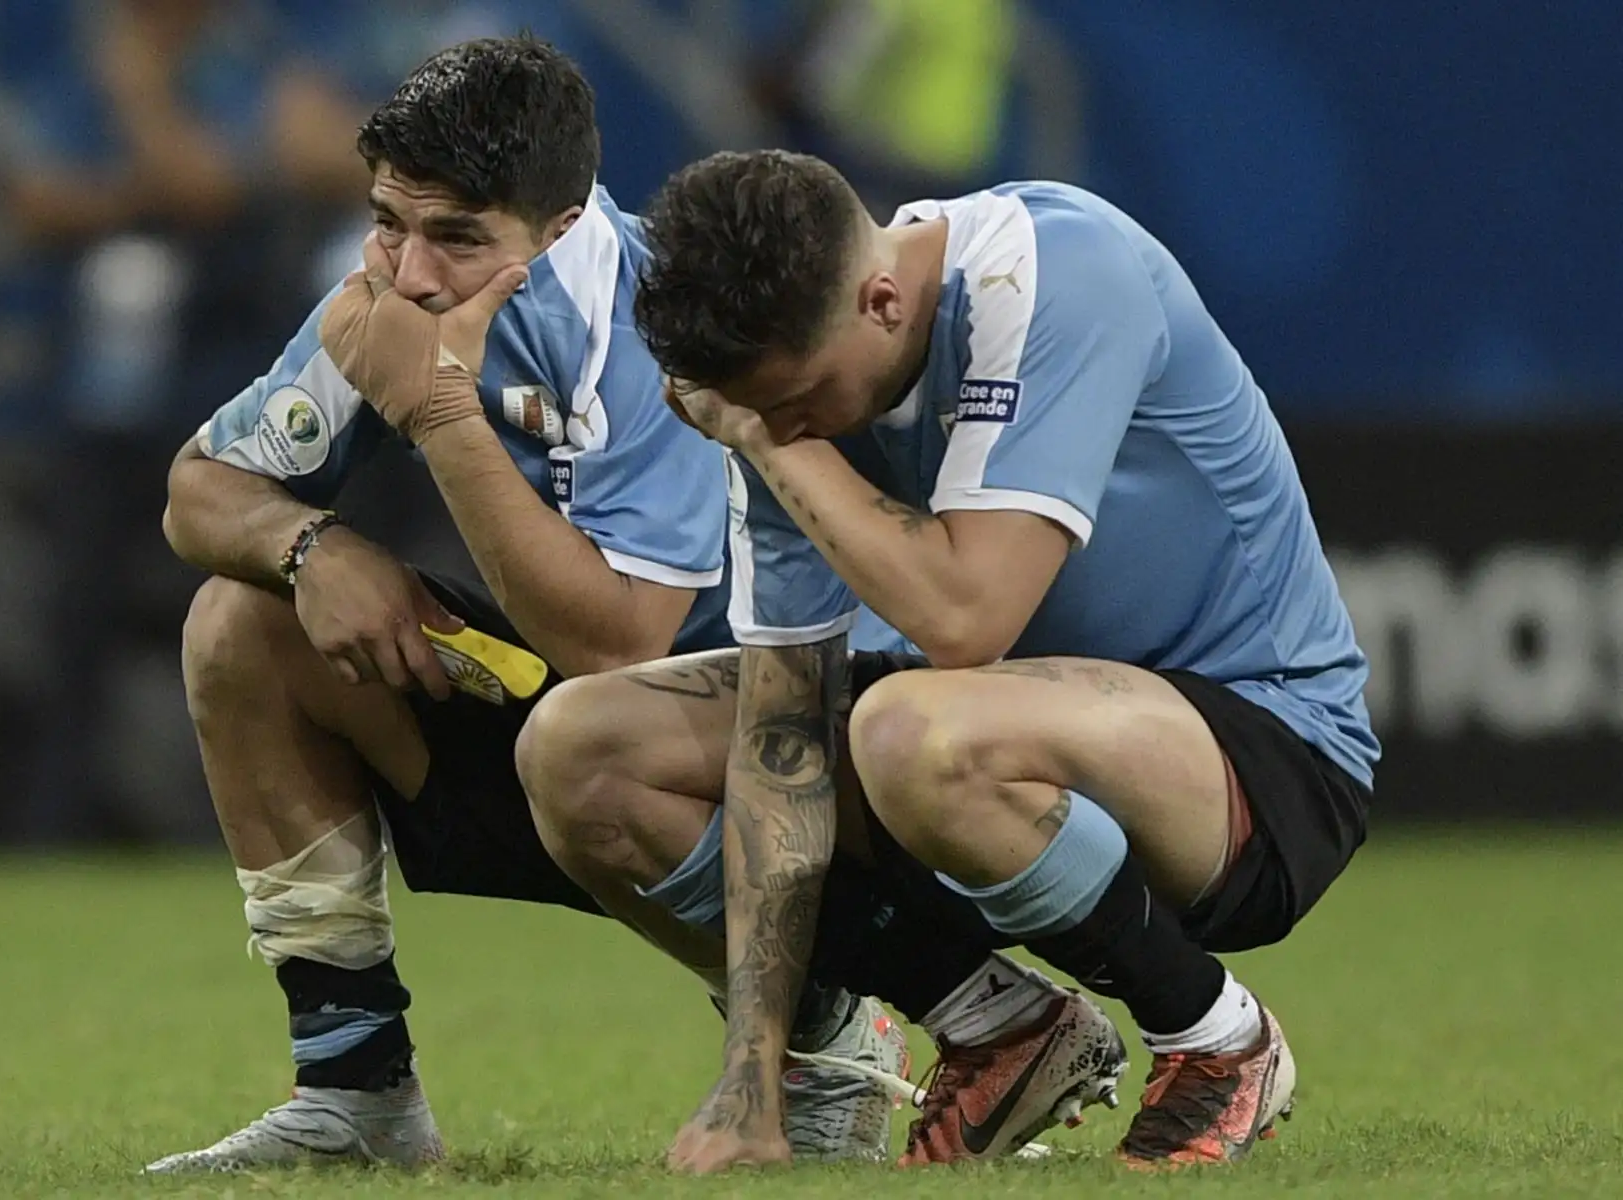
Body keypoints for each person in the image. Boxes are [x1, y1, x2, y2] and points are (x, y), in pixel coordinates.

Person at [519, 149, 1377, 1171]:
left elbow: (968, 617)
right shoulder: (785, 387)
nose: (788, 432)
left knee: (910, 731)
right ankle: (1000, 1024)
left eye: (798, 403)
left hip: (1258, 754)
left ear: (882, 298)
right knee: (584, 750)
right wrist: (751, 1078)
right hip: (992, 734)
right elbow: (781, 737)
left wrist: (768, 440)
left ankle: (1215, 1037)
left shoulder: (1056, 274)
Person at [150, 42, 907, 1173]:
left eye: (457, 236)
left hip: (792, 749)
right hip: (587, 730)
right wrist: (308, 545)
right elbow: (197, 490)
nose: (410, 271)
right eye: (389, 221)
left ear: (559, 227)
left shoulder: (656, 325)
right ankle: (354, 1092)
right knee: (238, 623)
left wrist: (435, 408)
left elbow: (617, 644)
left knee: (583, 735)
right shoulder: (392, 293)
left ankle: (826, 1038)